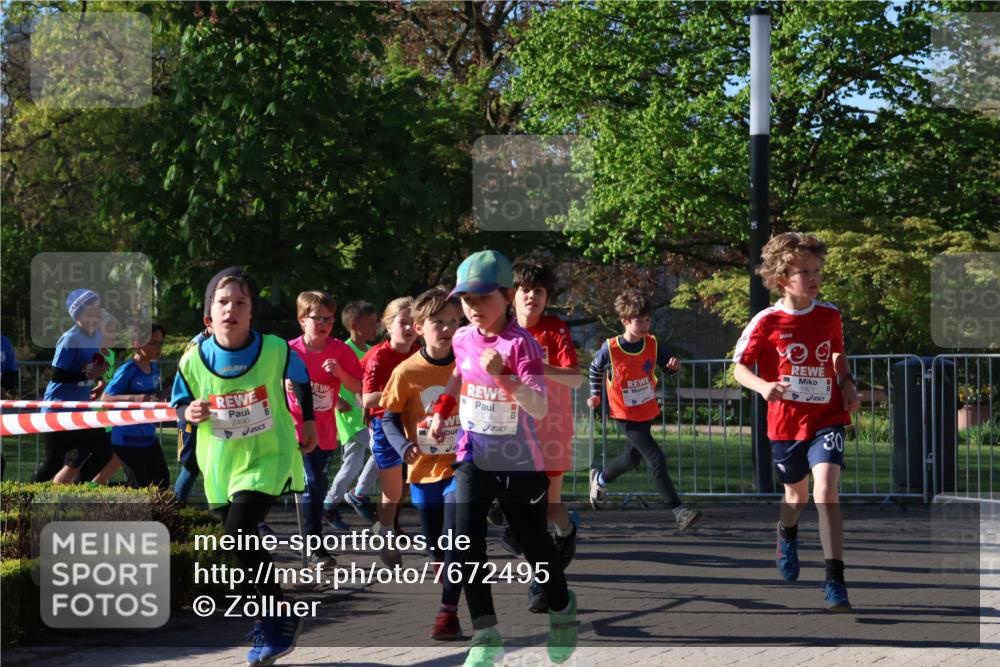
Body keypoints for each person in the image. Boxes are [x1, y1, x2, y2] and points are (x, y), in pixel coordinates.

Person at [429, 249, 577, 667]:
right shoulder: (461, 338)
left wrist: (504, 376)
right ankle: (485, 635)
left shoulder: (522, 345)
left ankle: (562, 610)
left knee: (533, 543)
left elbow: (539, 407)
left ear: (507, 296)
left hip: (518, 460)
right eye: (466, 301)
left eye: (482, 299)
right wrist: (441, 411)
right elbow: (459, 374)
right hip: (473, 454)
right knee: (466, 541)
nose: (473, 309)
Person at [171, 267, 318, 665]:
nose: (231, 309)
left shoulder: (274, 349)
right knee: (237, 541)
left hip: (267, 455)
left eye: (241, 303)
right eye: (223, 302)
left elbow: (301, 377)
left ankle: (274, 621)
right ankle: (276, 617)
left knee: (239, 531)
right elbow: (179, 402)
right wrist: (191, 410)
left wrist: (306, 420)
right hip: (221, 461)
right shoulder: (194, 359)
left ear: (251, 313)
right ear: (208, 316)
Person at [731, 232, 860, 612]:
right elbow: (738, 368)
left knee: (825, 493)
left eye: (817, 269)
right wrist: (763, 385)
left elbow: (838, 355)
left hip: (827, 417)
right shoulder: (766, 321)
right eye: (804, 270)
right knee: (796, 496)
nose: (814, 277)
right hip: (786, 424)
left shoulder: (830, 314)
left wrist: (848, 384)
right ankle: (786, 532)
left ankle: (835, 580)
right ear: (781, 277)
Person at [380, 288, 463, 640]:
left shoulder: (467, 363)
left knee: (456, 538)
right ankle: (443, 568)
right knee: (438, 546)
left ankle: (448, 612)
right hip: (423, 469)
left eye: (454, 323)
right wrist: (403, 447)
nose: (447, 330)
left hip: (462, 465)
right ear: (418, 327)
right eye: (439, 323)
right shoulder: (406, 372)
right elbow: (387, 418)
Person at [587, 289, 702, 530]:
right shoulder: (611, 348)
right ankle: (679, 510)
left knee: (631, 460)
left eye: (648, 320)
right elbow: (595, 369)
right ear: (625, 321)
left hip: (645, 410)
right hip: (624, 414)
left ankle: (600, 479)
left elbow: (668, 367)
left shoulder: (652, 343)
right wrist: (595, 395)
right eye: (640, 321)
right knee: (656, 458)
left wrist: (674, 367)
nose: (645, 325)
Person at [511, 261, 582, 613]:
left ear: (547, 298)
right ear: (512, 295)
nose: (531, 297)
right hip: (510, 433)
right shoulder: (500, 332)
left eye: (538, 291)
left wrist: (540, 367)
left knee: (547, 508)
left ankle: (562, 537)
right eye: (525, 290)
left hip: (552, 429)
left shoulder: (555, 331)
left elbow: (575, 379)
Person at [286, 291, 363, 566]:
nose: (325, 324)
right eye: (318, 318)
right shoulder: (288, 351)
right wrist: (282, 386)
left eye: (329, 319)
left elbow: (359, 387)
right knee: (301, 484)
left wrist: (340, 375)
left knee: (316, 486)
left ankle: (314, 544)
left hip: (324, 431)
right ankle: (312, 547)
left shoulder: (340, 350)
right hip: (289, 428)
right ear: (302, 319)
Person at [360, 297, 419, 564]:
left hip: (416, 427)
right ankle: (385, 534)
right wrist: (398, 395)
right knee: (392, 491)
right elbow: (367, 399)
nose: (409, 328)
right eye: (403, 323)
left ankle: (388, 526)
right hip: (386, 426)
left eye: (413, 323)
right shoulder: (379, 356)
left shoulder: (420, 352)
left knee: (411, 486)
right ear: (388, 325)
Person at [33, 289, 113, 484]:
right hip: (57, 410)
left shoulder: (95, 336)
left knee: (105, 451)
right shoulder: (70, 339)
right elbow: (57, 374)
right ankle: (26, 500)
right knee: (53, 462)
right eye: (94, 308)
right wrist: (87, 375)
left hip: (80, 409)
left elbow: (89, 366)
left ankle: (78, 489)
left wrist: (100, 381)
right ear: (80, 313)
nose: (99, 311)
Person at [323, 300, 380, 528]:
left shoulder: (370, 351)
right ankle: (359, 493)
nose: (376, 327)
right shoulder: (343, 349)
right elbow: (326, 377)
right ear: (355, 325)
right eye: (371, 323)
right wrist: (337, 401)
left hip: (366, 415)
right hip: (351, 417)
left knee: (351, 466)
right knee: (383, 450)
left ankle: (329, 504)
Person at [101, 323, 170, 490]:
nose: (158, 348)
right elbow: (105, 399)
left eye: (161, 343)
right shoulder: (128, 370)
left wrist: (162, 395)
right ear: (136, 344)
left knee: (162, 481)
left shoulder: (154, 368)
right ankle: (101, 496)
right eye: (153, 343)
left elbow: (149, 397)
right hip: (127, 440)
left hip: (148, 437)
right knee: (141, 486)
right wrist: (134, 398)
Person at [173, 327, 212, 503]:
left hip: (209, 414)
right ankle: (174, 508)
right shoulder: (197, 345)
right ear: (208, 322)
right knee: (191, 465)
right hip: (192, 415)